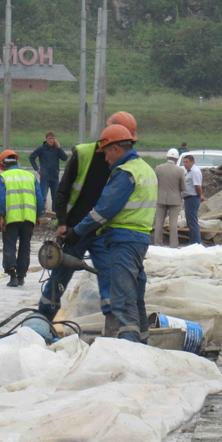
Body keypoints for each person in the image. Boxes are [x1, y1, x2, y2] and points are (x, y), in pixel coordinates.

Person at [38, 111, 139, 333]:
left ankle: (112, 329)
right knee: (59, 278)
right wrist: (63, 223)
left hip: (101, 232)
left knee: (108, 277)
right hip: (74, 230)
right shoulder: (83, 154)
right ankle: (41, 322)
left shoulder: (126, 164)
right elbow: (62, 191)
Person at [62, 124, 156, 343]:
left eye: (105, 152)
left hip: (123, 240)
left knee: (122, 298)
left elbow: (104, 210)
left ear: (115, 148)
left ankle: (129, 347)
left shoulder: (125, 173)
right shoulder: (145, 168)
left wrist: (77, 231)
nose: (105, 159)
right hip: (140, 239)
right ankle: (142, 341)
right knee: (136, 296)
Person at [0, 150, 43, 288]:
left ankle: (12, 275)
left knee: (9, 245)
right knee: (25, 247)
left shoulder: (3, 177)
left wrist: (1, 216)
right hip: (28, 218)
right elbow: (39, 197)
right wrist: (39, 214)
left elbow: (0, 199)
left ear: (3, 164)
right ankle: (21, 276)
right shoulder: (30, 176)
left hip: (11, 218)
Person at [29, 132, 68, 214]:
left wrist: (59, 148)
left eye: (53, 138)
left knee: (55, 197)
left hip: (55, 176)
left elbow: (65, 158)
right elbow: (31, 157)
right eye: (49, 138)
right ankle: (41, 213)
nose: (51, 140)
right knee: (43, 196)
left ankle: (54, 214)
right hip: (45, 177)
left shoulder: (56, 149)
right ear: (46, 139)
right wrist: (36, 169)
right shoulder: (42, 148)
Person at [153, 148, 185, 247]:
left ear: (167, 157)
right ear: (176, 159)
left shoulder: (158, 168)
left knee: (159, 222)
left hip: (161, 198)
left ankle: (157, 243)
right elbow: (183, 187)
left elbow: (154, 184)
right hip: (175, 200)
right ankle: (173, 245)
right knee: (173, 224)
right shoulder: (180, 170)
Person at [181, 154, 207, 245]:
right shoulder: (189, 172)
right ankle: (193, 241)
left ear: (192, 162)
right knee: (190, 222)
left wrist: (199, 196)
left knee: (192, 222)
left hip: (192, 198)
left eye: (187, 162)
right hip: (188, 198)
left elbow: (198, 186)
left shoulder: (195, 171)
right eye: (184, 162)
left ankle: (196, 243)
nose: (185, 164)